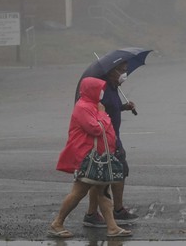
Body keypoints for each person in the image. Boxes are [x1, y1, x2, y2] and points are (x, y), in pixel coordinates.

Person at [49, 76, 132, 238]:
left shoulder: (94, 105)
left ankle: (112, 227)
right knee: (79, 192)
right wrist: (102, 114)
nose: (102, 93)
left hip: (99, 157)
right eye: (99, 89)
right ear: (91, 90)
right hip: (87, 158)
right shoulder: (83, 107)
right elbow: (96, 128)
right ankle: (57, 223)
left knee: (102, 192)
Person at [82, 61, 140, 228]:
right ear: (112, 72)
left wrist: (124, 107)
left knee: (115, 173)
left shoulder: (114, 88)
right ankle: (95, 213)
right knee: (102, 178)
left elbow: (111, 109)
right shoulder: (104, 90)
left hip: (114, 138)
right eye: (122, 70)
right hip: (106, 140)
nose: (125, 73)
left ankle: (115, 210)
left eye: (126, 69)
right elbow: (98, 112)